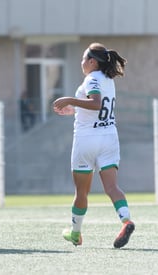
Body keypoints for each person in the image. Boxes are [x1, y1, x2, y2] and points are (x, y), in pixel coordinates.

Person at [53, 42, 135, 248]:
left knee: (81, 193)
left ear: (92, 61)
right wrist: (73, 109)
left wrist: (69, 99)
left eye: (83, 58)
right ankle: (126, 221)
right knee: (112, 187)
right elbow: (94, 106)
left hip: (87, 140)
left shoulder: (91, 79)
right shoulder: (108, 79)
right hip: (108, 138)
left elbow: (96, 103)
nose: (81, 62)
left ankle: (75, 234)